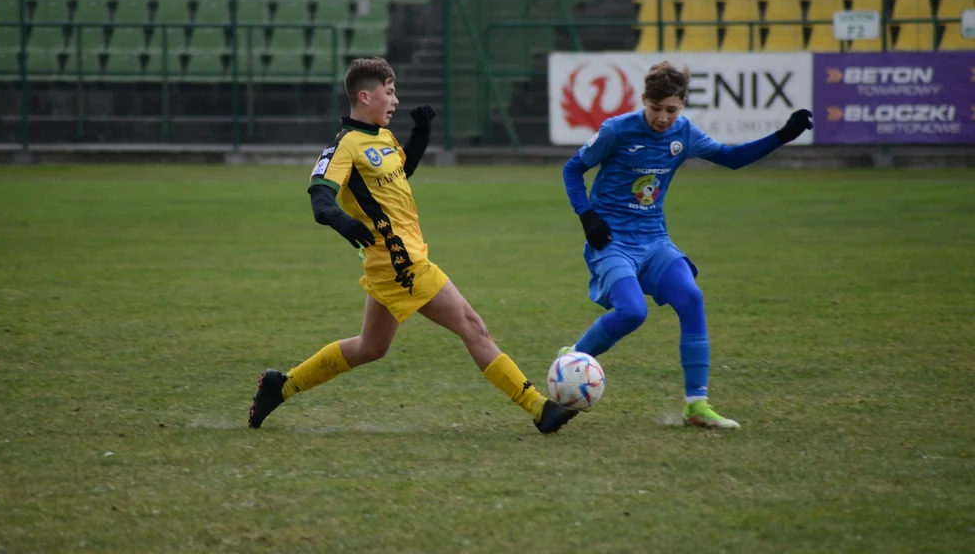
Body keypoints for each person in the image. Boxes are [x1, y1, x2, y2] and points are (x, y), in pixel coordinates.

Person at [249, 57, 578, 434]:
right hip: (400, 263)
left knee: (371, 347)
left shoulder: (382, 137)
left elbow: (399, 174)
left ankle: (282, 385)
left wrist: (420, 134)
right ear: (364, 95)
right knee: (473, 327)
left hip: (395, 260)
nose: (396, 101)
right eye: (389, 93)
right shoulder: (345, 146)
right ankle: (539, 408)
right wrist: (345, 222)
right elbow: (320, 198)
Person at [560, 60, 813, 429]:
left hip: (655, 240)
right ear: (643, 100)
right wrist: (588, 216)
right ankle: (573, 360)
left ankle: (696, 405)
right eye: (656, 108)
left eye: (671, 110)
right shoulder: (617, 131)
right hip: (612, 241)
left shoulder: (685, 134)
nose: (663, 118)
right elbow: (572, 169)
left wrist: (782, 135)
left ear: (681, 105)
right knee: (632, 312)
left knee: (692, 298)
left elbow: (732, 158)